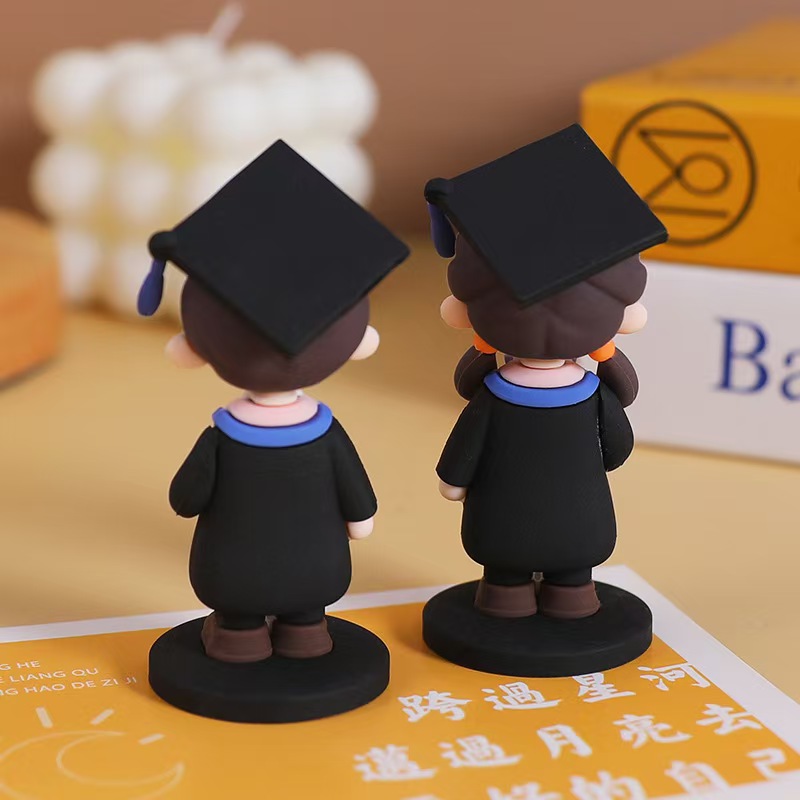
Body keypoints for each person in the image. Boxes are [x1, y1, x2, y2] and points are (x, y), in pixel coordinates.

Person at [137, 139, 409, 722]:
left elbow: (186, 497)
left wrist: (191, 499)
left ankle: (238, 637)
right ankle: (306, 632)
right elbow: (354, 490)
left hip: (230, 568)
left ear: (192, 348)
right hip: (318, 566)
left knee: (235, 605)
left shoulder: (223, 438)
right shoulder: (324, 434)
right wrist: (360, 518)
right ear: (358, 342)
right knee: (308, 605)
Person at [422, 125, 667, 675]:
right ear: (622, 318)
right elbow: (617, 449)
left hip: (501, 520)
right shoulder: (591, 396)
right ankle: (572, 595)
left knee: (503, 567)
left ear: (467, 316)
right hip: (580, 516)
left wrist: (454, 481)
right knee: (574, 567)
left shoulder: (493, 396)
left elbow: (465, 448)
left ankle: (504, 596)